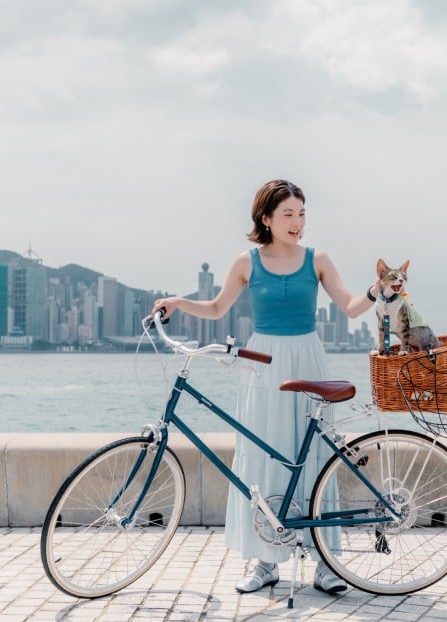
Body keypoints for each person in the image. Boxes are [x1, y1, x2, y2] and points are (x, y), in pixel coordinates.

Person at [150, 178, 379, 595]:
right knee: (262, 454)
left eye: (302, 214)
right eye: (288, 214)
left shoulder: (318, 258)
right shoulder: (246, 262)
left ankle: (326, 563)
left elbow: (349, 306)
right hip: (262, 363)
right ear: (266, 218)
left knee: (313, 456)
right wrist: (179, 302)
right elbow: (218, 307)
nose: (297, 222)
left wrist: (376, 291)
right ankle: (265, 559)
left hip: (307, 356)